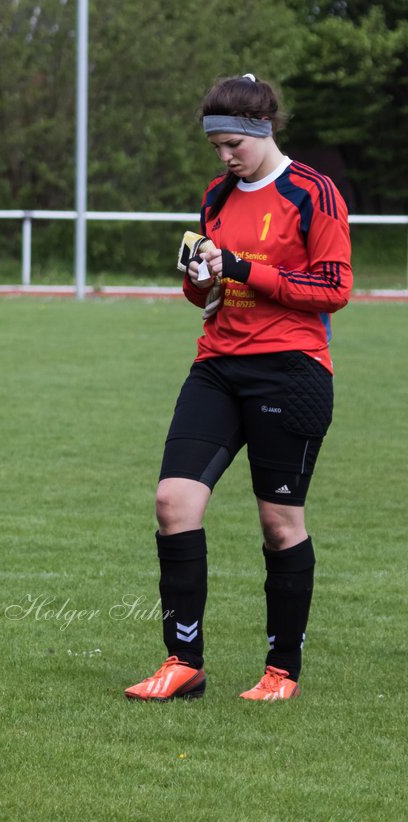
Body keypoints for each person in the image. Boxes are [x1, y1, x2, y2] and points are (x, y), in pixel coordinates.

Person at [125, 74, 352, 702]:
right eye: (217, 147)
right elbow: (206, 291)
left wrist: (247, 267)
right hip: (218, 365)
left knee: (280, 524)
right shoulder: (216, 198)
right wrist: (198, 277)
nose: (225, 157)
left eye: (233, 145)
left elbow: (334, 288)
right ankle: (183, 663)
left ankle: (282, 671)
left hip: (292, 370)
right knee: (173, 503)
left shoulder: (314, 192)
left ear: (263, 130)